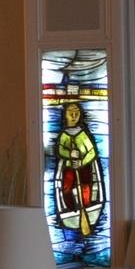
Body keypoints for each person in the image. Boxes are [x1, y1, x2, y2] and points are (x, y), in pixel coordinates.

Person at [54, 100, 103, 238]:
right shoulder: (64, 135)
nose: (74, 116)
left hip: (84, 169)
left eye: (76, 113)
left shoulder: (82, 135)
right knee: (66, 188)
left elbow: (92, 152)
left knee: (85, 188)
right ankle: (72, 208)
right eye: (71, 113)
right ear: (65, 115)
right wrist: (69, 155)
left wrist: (81, 161)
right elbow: (60, 150)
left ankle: (84, 206)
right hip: (69, 169)